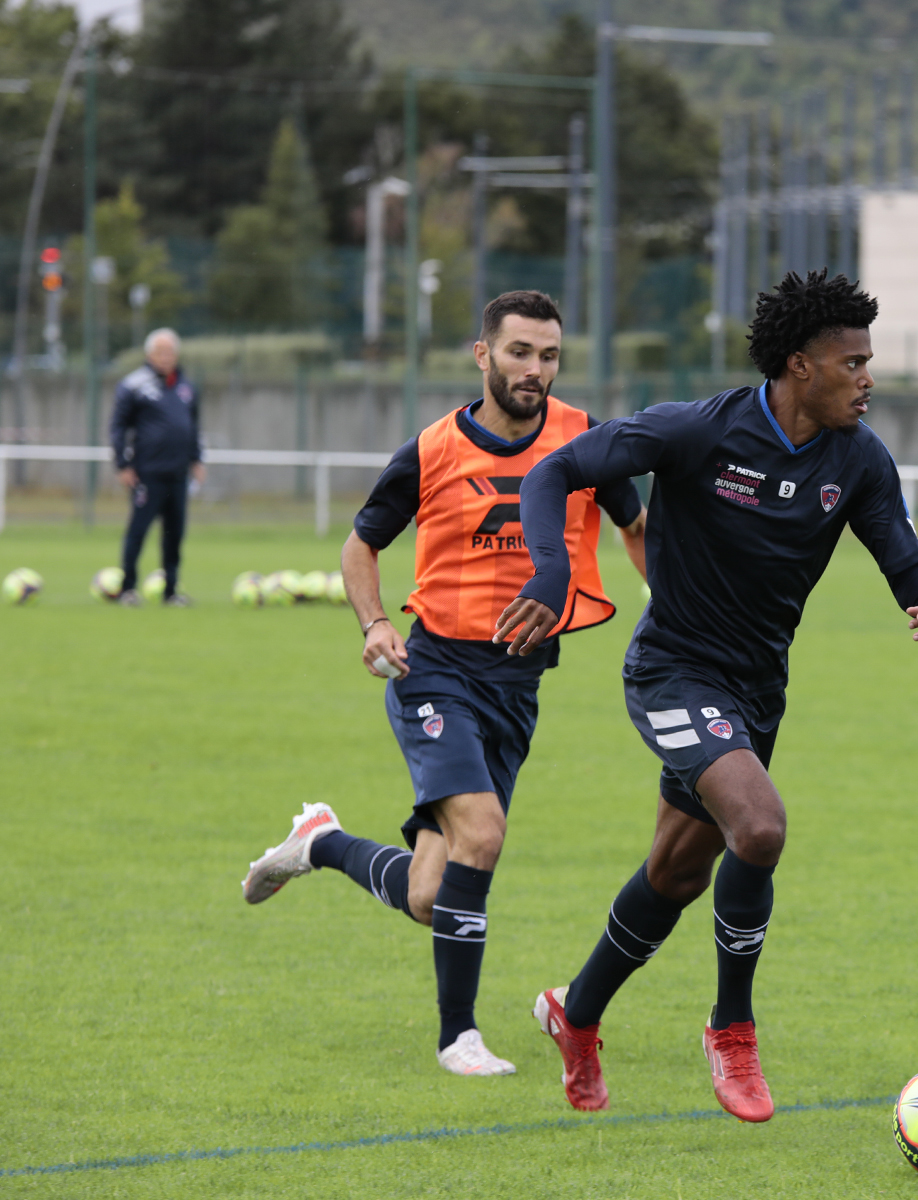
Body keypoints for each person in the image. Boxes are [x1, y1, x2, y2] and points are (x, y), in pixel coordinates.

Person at [495, 270, 918, 1121]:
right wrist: (553, 569)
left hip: (756, 693)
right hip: (674, 670)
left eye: (869, 361)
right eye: (852, 362)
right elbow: (554, 471)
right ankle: (732, 1030)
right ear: (800, 366)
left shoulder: (859, 459)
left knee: (676, 872)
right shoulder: (697, 432)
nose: (868, 378)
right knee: (761, 826)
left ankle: (577, 1011)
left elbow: (904, 563)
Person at [240, 290, 648, 1076]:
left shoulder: (585, 440)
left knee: (432, 896)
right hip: (435, 671)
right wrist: (374, 625)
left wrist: (668, 605)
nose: (535, 369)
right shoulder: (431, 450)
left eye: (550, 355)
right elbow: (361, 548)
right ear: (482, 354)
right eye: (520, 352)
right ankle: (457, 1036)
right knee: (484, 835)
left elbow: (635, 526)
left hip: (518, 687)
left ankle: (319, 844)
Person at [109, 328, 205, 606]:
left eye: (170, 352)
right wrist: (122, 464)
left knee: (175, 535)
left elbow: (193, 426)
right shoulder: (134, 385)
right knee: (138, 531)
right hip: (147, 473)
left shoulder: (186, 387)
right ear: (149, 354)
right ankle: (127, 589)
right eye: (160, 352)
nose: (166, 357)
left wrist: (196, 459)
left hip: (178, 473)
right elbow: (118, 427)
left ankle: (171, 591)